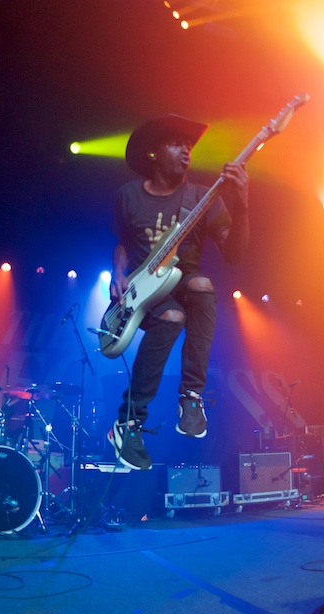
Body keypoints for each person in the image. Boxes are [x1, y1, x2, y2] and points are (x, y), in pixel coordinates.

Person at [108, 114, 249, 471]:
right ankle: (128, 422)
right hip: (143, 290)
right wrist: (117, 273)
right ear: (154, 153)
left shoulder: (204, 196)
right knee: (170, 317)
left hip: (182, 280)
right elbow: (123, 242)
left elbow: (233, 255)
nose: (186, 149)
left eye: (189, 145)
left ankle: (191, 397)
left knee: (201, 285)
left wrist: (242, 202)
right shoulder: (128, 194)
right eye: (176, 143)